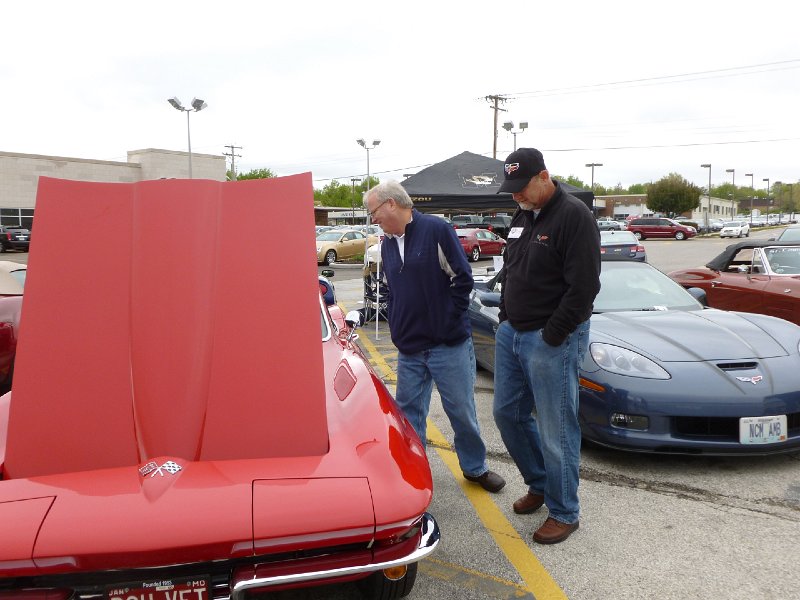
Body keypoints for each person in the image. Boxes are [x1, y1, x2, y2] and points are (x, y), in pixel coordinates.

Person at [363, 181, 505, 493]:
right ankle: (414, 472)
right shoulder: (386, 244)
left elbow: (462, 280)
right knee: (409, 415)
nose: (373, 218)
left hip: (447, 346)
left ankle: (475, 468)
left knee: (462, 412)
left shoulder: (436, 231)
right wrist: (396, 323)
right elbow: (388, 288)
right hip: (409, 348)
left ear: (391, 204)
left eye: (374, 211)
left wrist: (444, 322)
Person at [492, 148, 600, 544]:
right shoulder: (523, 215)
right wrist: (505, 317)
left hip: (552, 337)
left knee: (558, 429)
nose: (515, 195)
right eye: (512, 189)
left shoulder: (574, 216)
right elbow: (512, 268)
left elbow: (585, 288)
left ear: (544, 177)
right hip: (512, 333)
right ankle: (540, 483)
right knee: (507, 414)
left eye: (522, 188)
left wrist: (552, 335)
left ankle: (564, 510)